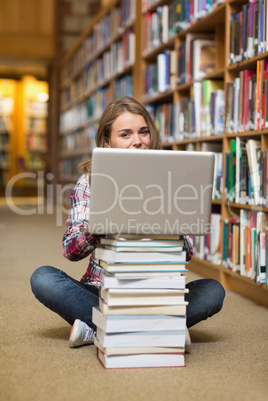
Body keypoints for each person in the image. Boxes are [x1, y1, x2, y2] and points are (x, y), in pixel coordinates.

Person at [30, 96, 225, 349]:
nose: (138, 141)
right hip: (103, 291)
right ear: (107, 142)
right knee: (43, 278)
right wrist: (100, 226)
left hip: (158, 292)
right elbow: (70, 250)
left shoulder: (172, 178)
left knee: (213, 291)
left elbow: (187, 253)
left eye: (143, 132)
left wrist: (169, 222)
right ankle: (164, 327)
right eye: (126, 134)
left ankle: (100, 327)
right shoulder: (89, 181)